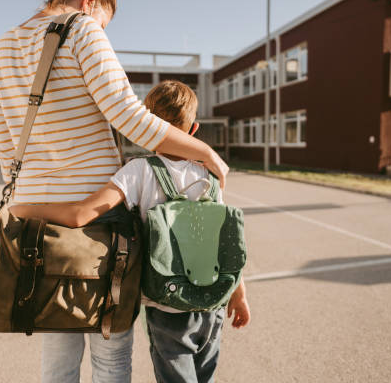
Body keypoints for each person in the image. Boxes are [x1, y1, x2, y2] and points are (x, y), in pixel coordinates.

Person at [0, 0, 229, 381]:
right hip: (98, 224)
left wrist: (24, 203)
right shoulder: (82, 28)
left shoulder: (1, 48)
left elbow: (6, 145)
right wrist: (204, 152)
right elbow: (129, 116)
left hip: (38, 225)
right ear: (89, 1)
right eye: (105, 23)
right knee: (110, 356)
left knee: (57, 357)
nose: (102, 32)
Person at [13, 80, 251, 383]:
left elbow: (81, 215)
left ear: (145, 126)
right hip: (213, 301)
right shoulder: (209, 174)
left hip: (167, 305)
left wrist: (25, 209)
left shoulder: (140, 170)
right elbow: (224, 239)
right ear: (194, 130)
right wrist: (239, 294)